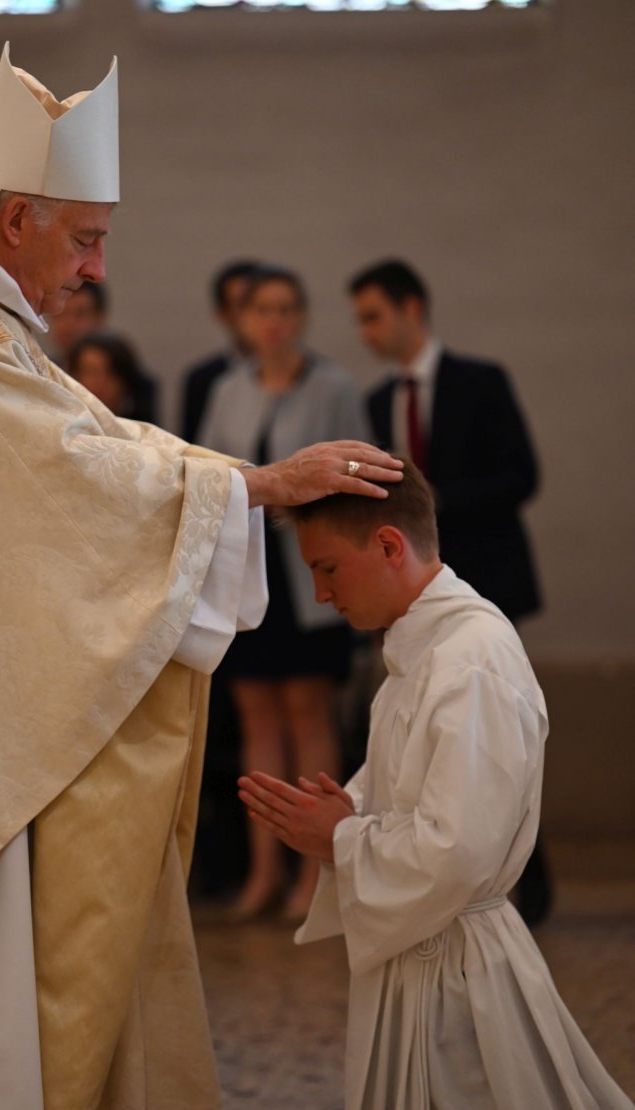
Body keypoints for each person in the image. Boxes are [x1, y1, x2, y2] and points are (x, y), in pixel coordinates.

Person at [0, 46, 403, 1110]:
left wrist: (240, 480)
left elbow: (93, 460)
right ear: (10, 222)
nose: (96, 269)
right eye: (84, 238)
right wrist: (255, 484)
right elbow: (81, 477)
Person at [239, 466, 635, 1110]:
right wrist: (345, 817)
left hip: (459, 969)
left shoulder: (469, 660)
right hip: (426, 954)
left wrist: (342, 842)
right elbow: (414, 799)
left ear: (389, 544)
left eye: (327, 569)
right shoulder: (421, 651)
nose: (321, 594)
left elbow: (459, 848)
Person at [348, 257, 551, 926]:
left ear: (412, 308)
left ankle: (527, 876)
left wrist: (431, 508)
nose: (366, 332)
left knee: (497, 730)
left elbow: (520, 475)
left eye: (373, 315)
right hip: (414, 587)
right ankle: (429, 866)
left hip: (485, 577)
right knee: (432, 730)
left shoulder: (479, 381)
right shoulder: (379, 400)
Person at [199, 265, 368, 921]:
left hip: (308, 578)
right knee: (256, 722)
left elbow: (360, 474)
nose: (273, 321)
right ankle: (263, 871)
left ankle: (313, 875)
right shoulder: (226, 389)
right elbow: (211, 478)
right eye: (261, 309)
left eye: (285, 309)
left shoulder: (334, 387)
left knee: (308, 716)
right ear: (242, 320)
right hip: (247, 574)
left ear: (300, 318)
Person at [48, 278, 160, 418]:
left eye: (79, 314)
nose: (69, 325)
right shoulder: (40, 373)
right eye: (61, 314)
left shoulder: (138, 384)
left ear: (99, 317)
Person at [179, 258, 260, 444]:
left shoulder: (320, 380)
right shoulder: (203, 379)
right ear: (222, 313)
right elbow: (193, 453)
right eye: (241, 306)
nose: (253, 315)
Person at [66, 331, 157, 423]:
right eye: (91, 372)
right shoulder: (58, 430)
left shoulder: (143, 434)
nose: (100, 382)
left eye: (110, 373)